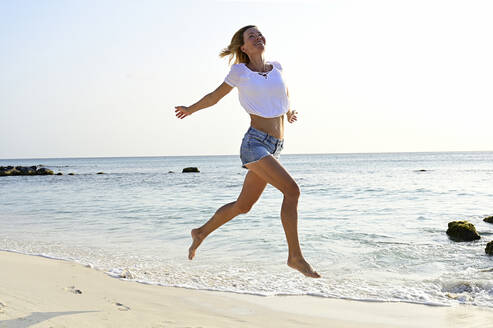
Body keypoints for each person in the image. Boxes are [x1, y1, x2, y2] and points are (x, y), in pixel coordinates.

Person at [174, 25, 320, 278]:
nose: (258, 37)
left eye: (259, 34)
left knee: (243, 206)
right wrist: (190, 109)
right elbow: (214, 97)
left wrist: (289, 111)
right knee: (292, 191)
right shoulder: (240, 71)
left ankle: (200, 232)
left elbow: (282, 92)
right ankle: (295, 257)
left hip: (275, 146)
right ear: (243, 47)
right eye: (251, 36)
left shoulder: (277, 67)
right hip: (255, 144)